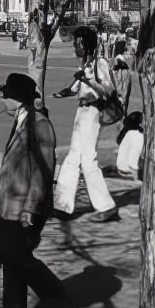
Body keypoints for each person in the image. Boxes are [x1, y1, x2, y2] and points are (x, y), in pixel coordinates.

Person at [0, 73, 70, 308]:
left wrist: (32, 206)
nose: (2, 99)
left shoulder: (38, 123)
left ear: (16, 99)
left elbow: (44, 169)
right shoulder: (22, 120)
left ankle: (42, 302)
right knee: (14, 255)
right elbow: (11, 164)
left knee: (14, 255)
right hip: (11, 202)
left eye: (5, 95)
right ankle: (28, 306)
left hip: (25, 205)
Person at [53, 25, 120, 222]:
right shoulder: (86, 63)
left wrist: (87, 81)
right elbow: (77, 86)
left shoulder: (100, 64)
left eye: (78, 42)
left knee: (87, 158)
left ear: (86, 43)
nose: (75, 45)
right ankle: (63, 205)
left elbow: (108, 90)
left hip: (92, 112)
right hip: (82, 112)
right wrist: (67, 90)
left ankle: (106, 206)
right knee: (73, 157)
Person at [115, 111, 144, 180]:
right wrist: (135, 176)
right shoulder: (138, 136)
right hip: (129, 171)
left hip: (121, 168)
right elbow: (132, 159)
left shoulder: (129, 133)